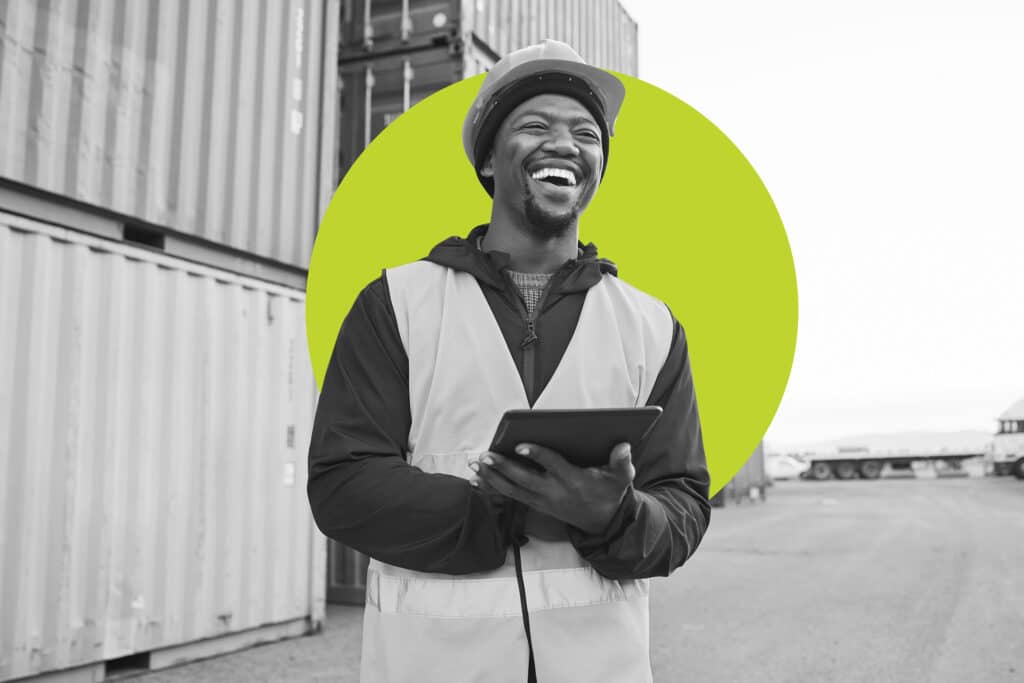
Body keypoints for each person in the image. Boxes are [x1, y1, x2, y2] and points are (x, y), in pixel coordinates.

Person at [308, 39, 710, 683]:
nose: (566, 144)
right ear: (490, 161)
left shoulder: (652, 324)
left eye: (586, 132)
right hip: (432, 664)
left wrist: (616, 516)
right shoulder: (396, 303)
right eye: (535, 125)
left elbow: (684, 503)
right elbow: (342, 485)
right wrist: (498, 510)